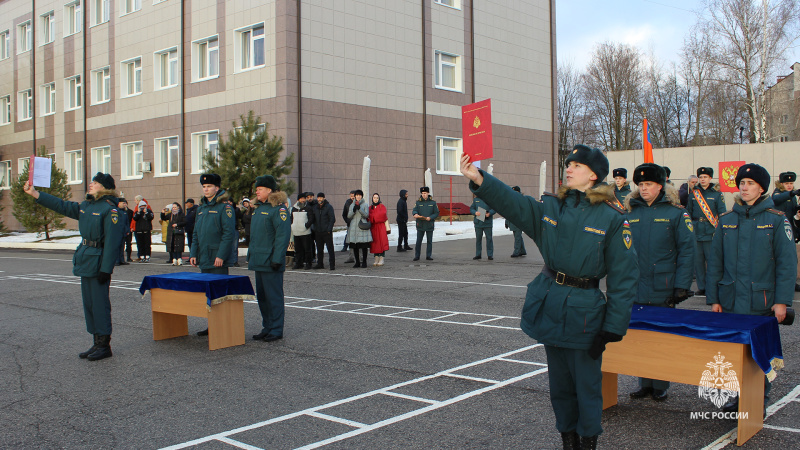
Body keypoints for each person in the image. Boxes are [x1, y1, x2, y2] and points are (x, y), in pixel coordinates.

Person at [460, 145, 638, 450]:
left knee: (587, 387)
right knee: (559, 387)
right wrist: (479, 178)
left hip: (585, 313)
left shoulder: (612, 217)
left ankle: (587, 442)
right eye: (567, 164)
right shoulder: (552, 207)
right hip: (552, 304)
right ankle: (567, 440)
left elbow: (624, 279)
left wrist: (612, 327)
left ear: (593, 175)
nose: (568, 169)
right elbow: (514, 204)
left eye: (576, 165)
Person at [707, 163, 796, 414]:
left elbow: (787, 265)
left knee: (760, 355)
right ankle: (738, 399)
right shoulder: (726, 220)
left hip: (762, 301)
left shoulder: (776, 220)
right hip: (731, 299)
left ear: (762, 188)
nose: (744, 188)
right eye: (742, 184)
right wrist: (714, 298)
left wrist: (782, 301)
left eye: (750, 184)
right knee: (735, 353)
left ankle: (757, 401)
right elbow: (715, 262)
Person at [22, 173, 123, 361]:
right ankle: (96, 341)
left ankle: (104, 345)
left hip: (99, 261)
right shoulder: (87, 205)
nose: (91, 184)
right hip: (86, 260)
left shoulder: (110, 210)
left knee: (100, 304)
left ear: (105, 187)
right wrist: (35, 194)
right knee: (90, 304)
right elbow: (61, 205)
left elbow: (112, 242)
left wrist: (106, 269)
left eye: (95, 182)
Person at [624, 163, 695, 402]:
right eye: (640, 185)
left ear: (660, 186)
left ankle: (660, 384)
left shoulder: (676, 213)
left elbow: (687, 250)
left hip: (663, 285)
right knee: (640, 337)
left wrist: (682, 285)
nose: (643, 189)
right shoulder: (629, 212)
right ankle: (644, 383)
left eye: (649, 184)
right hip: (635, 284)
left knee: (661, 339)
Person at [190, 173, 236, 336]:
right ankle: (212, 325)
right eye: (204, 187)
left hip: (217, 259)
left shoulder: (225, 207)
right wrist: (193, 253)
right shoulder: (201, 208)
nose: (206, 189)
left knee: (219, 293)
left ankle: (222, 326)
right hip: (204, 257)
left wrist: (221, 256)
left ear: (217, 188)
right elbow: (196, 233)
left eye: (209, 186)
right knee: (208, 293)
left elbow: (228, 234)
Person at [248, 175, 291, 342]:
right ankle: (267, 326)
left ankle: (276, 328)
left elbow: (282, 236)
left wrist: (277, 259)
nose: (257, 191)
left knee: (274, 297)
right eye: (257, 188)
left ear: (270, 190)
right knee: (263, 298)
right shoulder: (258, 209)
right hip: (259, 260)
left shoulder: (278, 210)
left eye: (260, 188)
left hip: (271, 261)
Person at [686, 167, 726, 296]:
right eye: (701, 177)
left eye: (705, 177)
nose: (703, 179)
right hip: (697, 231)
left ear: (710, 178)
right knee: (698, 261)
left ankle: (713, 286)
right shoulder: (693, 194)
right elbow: (688, 214)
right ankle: (702, 286)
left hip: (711, 231)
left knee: (712, 260)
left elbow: (722, 213)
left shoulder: (717, 194)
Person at [771, 172, 800, 291]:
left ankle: (791, 283)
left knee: (792, 259)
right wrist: (792, 193)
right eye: (787, 183)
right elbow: (776, 200)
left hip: (790, 231)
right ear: (781, 183)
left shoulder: (792, 196)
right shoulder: (778, 193)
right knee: (781, 260)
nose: (789, 185)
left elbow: (793, 212)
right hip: (779, 232)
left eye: (791, 183)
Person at [412, 186, 439, 261]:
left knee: (429, 241)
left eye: (425, 193)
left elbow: (436, 213)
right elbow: (414, 210)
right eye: (422, 193)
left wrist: (430, 217)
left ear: (428, 193)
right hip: (420, 224)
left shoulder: (433, 203)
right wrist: (415, 214)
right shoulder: (418, 202)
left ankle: (428, 255)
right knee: (418, 241)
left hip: (429, 224)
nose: (424, 195)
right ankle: (417, 256)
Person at [347, 190, 372, 268]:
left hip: (362, 226)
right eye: (357, 195)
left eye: (359, 195)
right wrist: (354, 210)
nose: (358, 197)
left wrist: (359, 209)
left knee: (364, 246)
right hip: (354, 227)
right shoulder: (352, 205)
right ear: (355, 196)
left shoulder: (365, 205)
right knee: (355, 246)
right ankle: (357, 262)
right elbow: (349, 216)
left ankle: (364, 262)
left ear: (362, 196)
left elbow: (366, 215)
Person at [311, 192, 336, 270]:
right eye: (318, 198)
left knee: (330, 249)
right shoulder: (315, 207)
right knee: (319, 249)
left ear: (324, 198)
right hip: (318, 231)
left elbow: (332, 219)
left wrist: (329, 229)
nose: (319, 199)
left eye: (321, 198)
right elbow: (313, 218)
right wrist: (314, 228)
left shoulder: (328, 207)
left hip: (326, 232)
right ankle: (320, 264)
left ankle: (332, 264)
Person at [290, 193, 313, 269]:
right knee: (298, 249)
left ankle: (308, 263)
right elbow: (291, 218)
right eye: (301, 198)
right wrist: (292, 225)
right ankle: (299, 263)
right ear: (298, 200)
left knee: (307, 249)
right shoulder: (294, 208)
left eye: (304, 198)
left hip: (305, 232)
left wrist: (306, 226)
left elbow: (311, 218)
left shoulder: (308, 208)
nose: (303, 200)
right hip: (296, 232)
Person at [470, 193, 495, 260]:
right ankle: (478, 254)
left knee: (489, 239)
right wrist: (475, 212)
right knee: (478, 239)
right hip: (478, 223)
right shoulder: (476, 200)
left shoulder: (489, 199)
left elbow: (494, 208)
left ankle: (490, 255)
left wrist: (489, 213)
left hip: (487, 222)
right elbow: (472, 208)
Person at [369, 193, 390, 266]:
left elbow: (383, 215)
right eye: (374, 198)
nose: (375, 199)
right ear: (372, 198)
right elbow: (368, 216)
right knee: (375, 243)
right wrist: (374, 217)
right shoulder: (370, 207)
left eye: (377, 198)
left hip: (381, 226)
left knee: (381, 242)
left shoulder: (382, 206)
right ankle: (376, 258)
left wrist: (374, 217)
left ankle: (381, 258)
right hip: (373, 227)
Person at [506, 186, 527, 258]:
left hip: (518, 221)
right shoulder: (511, 200)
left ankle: (516, 251)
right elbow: (508, 212)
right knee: (517, 236)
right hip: (512, 221)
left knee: (517, 237)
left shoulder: (521, 200)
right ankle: (522, 250)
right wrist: (506, 222)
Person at [117, 198, 132, 265]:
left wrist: (127, 230)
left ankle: (122, 260)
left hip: (123, 232)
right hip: (117, 232)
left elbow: (126, 222)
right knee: (117, 247)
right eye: (123, 203)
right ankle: (117, 260)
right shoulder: (116, 211)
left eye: (125, 203)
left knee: (122, 247)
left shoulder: (124, 212)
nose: (125, 205)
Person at [342, 190, 356, 262]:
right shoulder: (347, 203)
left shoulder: (359, 203)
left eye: (353, 196)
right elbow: (344, 214)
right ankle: (351, 257)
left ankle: (360, 257)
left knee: (358, 242)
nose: (352, 198)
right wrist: (347, 221)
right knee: (351, 241)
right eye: (351, 196)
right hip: (350, 225)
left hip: (357, 225)